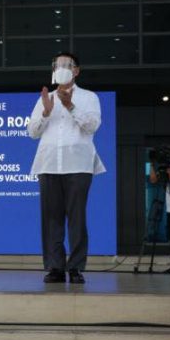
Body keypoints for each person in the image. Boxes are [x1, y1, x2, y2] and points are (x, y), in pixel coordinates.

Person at [28, 52, 105, 284]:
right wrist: (46, 112)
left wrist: (70, 106)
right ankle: (55, 267)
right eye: (57, 65)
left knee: (76, 217)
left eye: (67, 65)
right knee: (51, 218)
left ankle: (76, 267)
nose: (61, 68)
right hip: (49, 163)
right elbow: (32, 132)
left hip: (78, 164)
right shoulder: (45, 98)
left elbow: (92, 126)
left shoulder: (89, 97)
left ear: (76, 71)